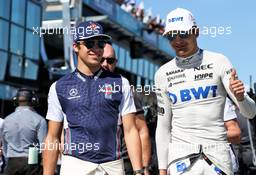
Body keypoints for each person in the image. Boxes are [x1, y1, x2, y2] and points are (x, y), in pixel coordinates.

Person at [155, 8, 256, 175]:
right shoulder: (162, 74)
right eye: (171, 36)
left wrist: (240, 98)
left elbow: (250, 113)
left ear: (196, 32)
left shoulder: (219, 61)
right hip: (180, 158)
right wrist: (162, 169)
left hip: (217, 157)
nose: (177, 40)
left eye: (183, 34)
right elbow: (163, 126)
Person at [43, 21, 144, 175]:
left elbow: (130, 130)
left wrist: (138, 171)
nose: (96, 49)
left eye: (101, 44)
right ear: (76, 47)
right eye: (90, 43)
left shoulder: (121, 83)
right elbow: (52, 137)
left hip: (112, 166)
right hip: (74, 166)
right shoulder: (58, 87)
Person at [101, 43, 152, 175]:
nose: (105, 64)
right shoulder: (83, 87)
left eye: (110, 60)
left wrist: (144, 168)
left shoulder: (126, 88)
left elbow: (142, 131)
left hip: (124, 163)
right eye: (102, 59)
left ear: (116, 63)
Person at [2, 88, 47, 175]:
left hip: (11, 163)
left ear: (16, 100)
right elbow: (44, 148)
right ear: (33, 100)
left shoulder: (6, 120)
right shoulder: (39, 120)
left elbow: (5, 147)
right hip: (32, 163)